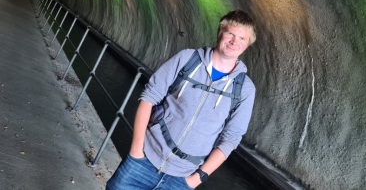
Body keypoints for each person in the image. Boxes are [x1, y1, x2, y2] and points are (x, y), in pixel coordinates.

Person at [107, 10, 257, 189]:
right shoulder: (187, 59)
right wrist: (136, 151)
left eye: (242, 38)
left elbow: (231, 138)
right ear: (220, 33)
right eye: (230, 33)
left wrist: (196, 179)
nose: (234, 42)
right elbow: (149, 98)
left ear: (248, 44)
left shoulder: (245, 89)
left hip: (182, 179)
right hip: (144, 160)